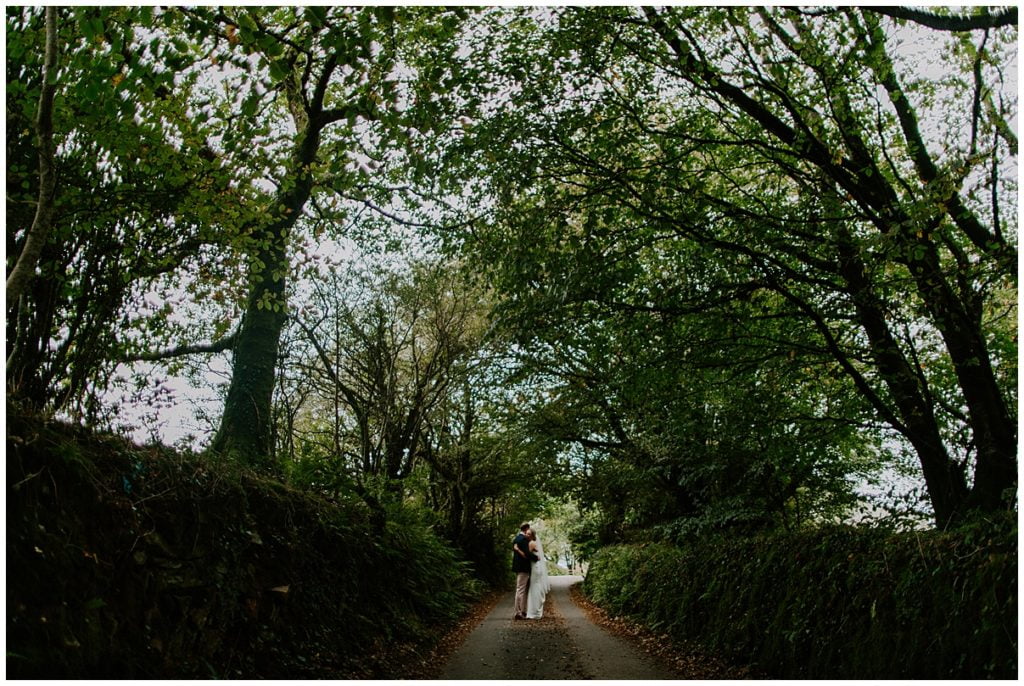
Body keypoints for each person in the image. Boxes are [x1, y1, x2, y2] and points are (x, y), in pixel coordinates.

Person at [512, 522, 536, 620]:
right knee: (520, 590)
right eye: (528, 530)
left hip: (519, 567)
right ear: (526, 529)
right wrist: (537, 558)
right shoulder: (523, 539)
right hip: (523, 567)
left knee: (522, 589)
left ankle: (522, 610)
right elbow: (527, 554)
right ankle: (518, 612)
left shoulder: (517, 538)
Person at [525, 529, 550, 619]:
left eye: (528, 534)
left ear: (532, 535)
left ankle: (534, 612)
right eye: (526, 533)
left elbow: (526, 555)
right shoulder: (534, 542)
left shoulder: (531, 543)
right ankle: (537, 611)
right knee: (536, 587)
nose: (526, 535)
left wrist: (517, 549)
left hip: (535, 568)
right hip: (536, 567)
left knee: (534, 588)